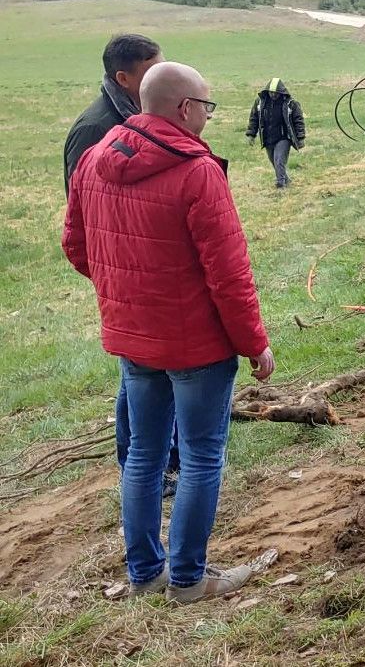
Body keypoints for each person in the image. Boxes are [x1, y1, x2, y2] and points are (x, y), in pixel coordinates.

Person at [63, 61, 275, 602]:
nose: (208, 114)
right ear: (185, 109)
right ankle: (186, 579)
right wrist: (254, 343)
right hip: (195, 345)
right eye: (207, 105)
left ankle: (144, 574)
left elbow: (76, 246)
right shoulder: (196, 171)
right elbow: (230, 275)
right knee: (202, 455)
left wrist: (127, 292)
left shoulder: (92, 159)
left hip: (133, 338)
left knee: (143, 454)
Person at [62, 34, 180, 492]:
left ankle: (162, 460)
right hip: (127, 279)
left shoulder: (141, 115)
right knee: (140, 375)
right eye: (152, 69)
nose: (161, 76)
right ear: (124, 77)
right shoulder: (95, 130)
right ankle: (139, 465)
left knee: (153, 369)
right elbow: (83, 216)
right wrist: (118, 275)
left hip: (152, 275)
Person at [245, 78, 306, 189]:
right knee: (274, 162)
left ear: (281, 92)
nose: (273, 95)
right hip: (268, 138)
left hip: (283, 137)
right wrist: (251, 134)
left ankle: (280, 185)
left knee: (279, 161)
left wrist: (300, 137)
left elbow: (298, 120)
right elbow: (254, 118)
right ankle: (286, 180)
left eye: (276, 93)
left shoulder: (290, 103)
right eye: (271, 92)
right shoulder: (260, 102)